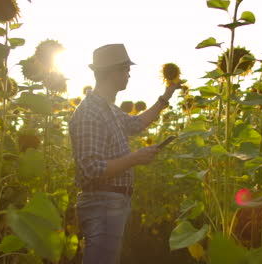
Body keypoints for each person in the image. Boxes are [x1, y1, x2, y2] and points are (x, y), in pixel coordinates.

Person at [68, 43, 179, 264]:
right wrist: (135, 158)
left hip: (111, 202)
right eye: (126, 69)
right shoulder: (90, 112)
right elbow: (92, 169)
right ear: (112, 72)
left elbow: (136, 124)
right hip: (102, 202)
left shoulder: (106, 108)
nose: (129, 74)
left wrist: (166, 96)